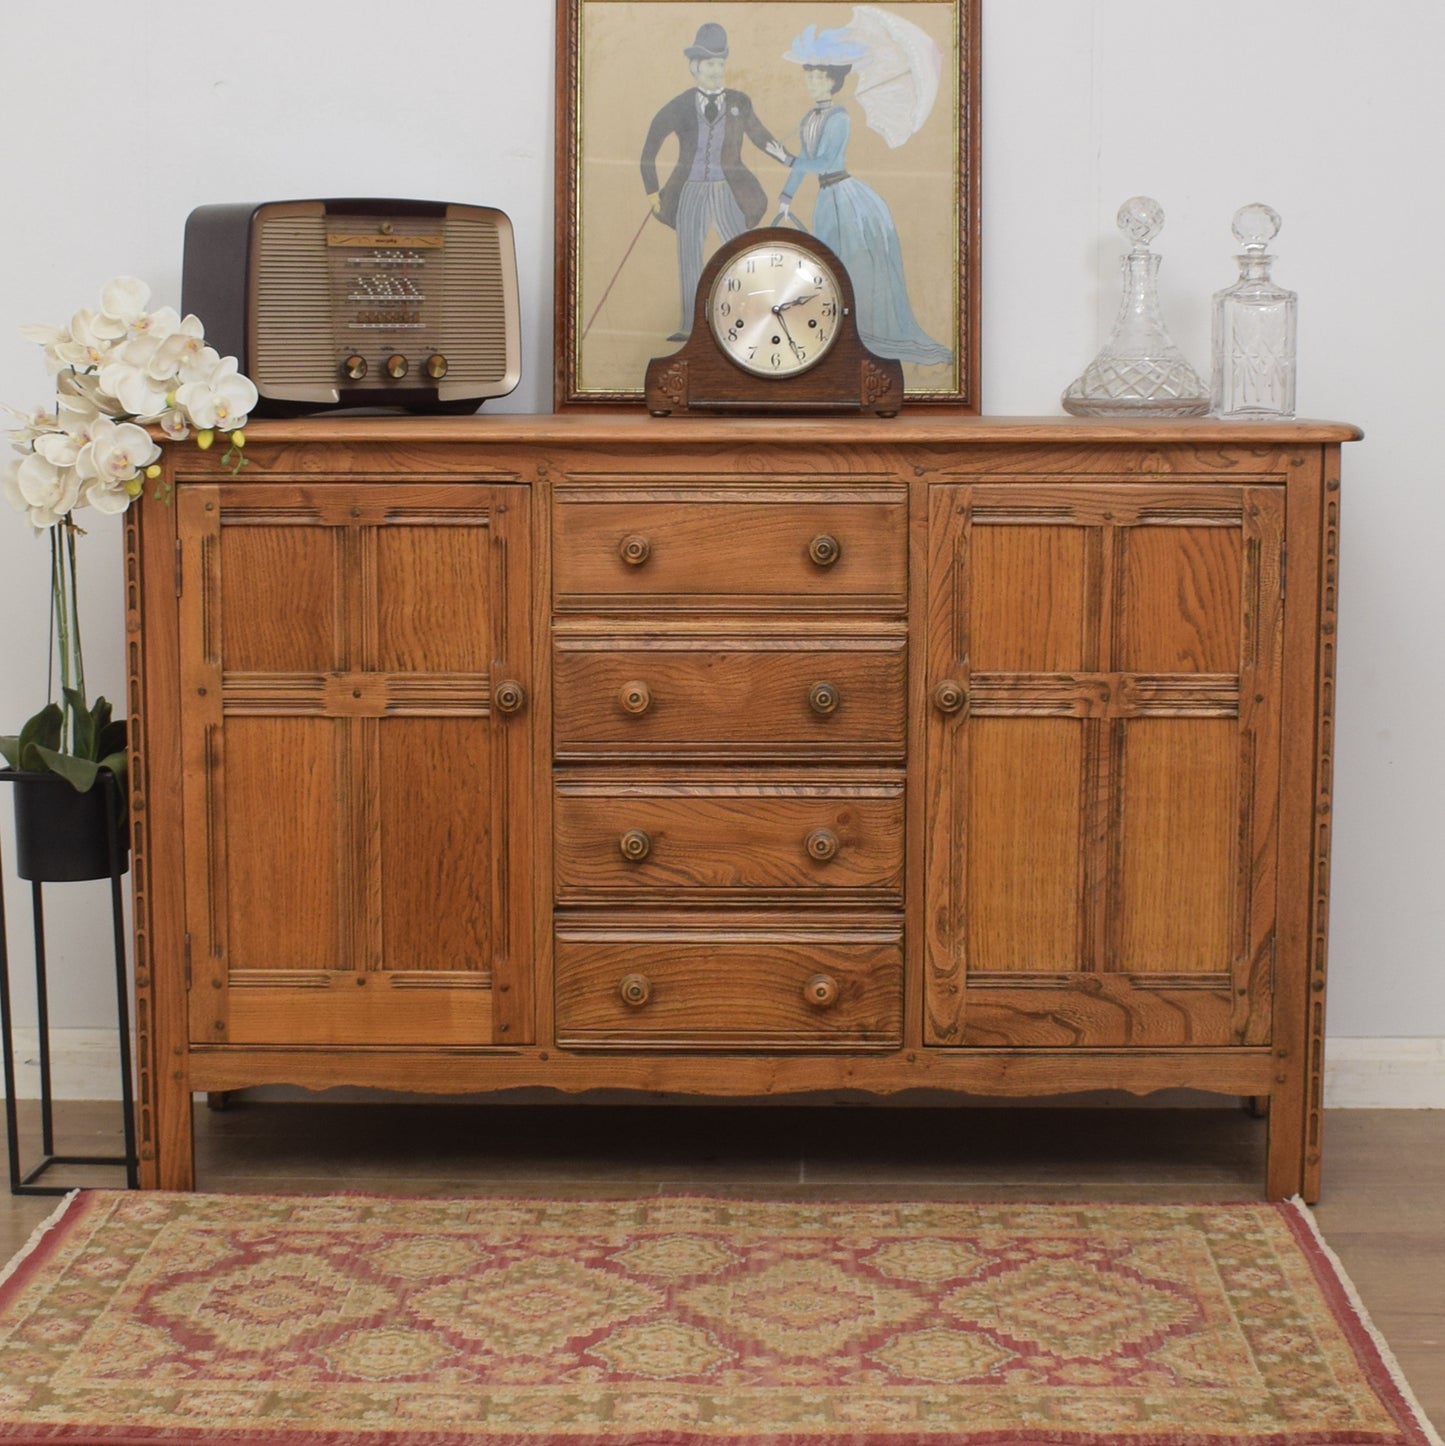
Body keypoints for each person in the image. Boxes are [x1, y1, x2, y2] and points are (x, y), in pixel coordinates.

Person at [775, 24, 952, 367]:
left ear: (831, 80)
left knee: (845, 265)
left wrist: (787, 158)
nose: (810, 82)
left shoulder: (840, 118)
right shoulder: (808, 117)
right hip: (826, 200)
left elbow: (825, 161)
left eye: (816, 77)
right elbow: (801, 166)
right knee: (827, 265)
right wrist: (785, 198)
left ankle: (856, 337)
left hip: (846, 201)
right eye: (808, 76)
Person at [640, 22, 793, 339]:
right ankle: (690, 325)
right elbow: (650, 147)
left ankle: (748, 319)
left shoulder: (740, 102)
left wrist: (789, 159)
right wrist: (652, 189)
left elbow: (761, 137)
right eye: (709, 63)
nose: (716, 70)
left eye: (720, 63)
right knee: (689, 255)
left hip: (728, 190)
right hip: (690, 190)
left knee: (740, 255)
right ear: (694, 67)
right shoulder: (680, 105)